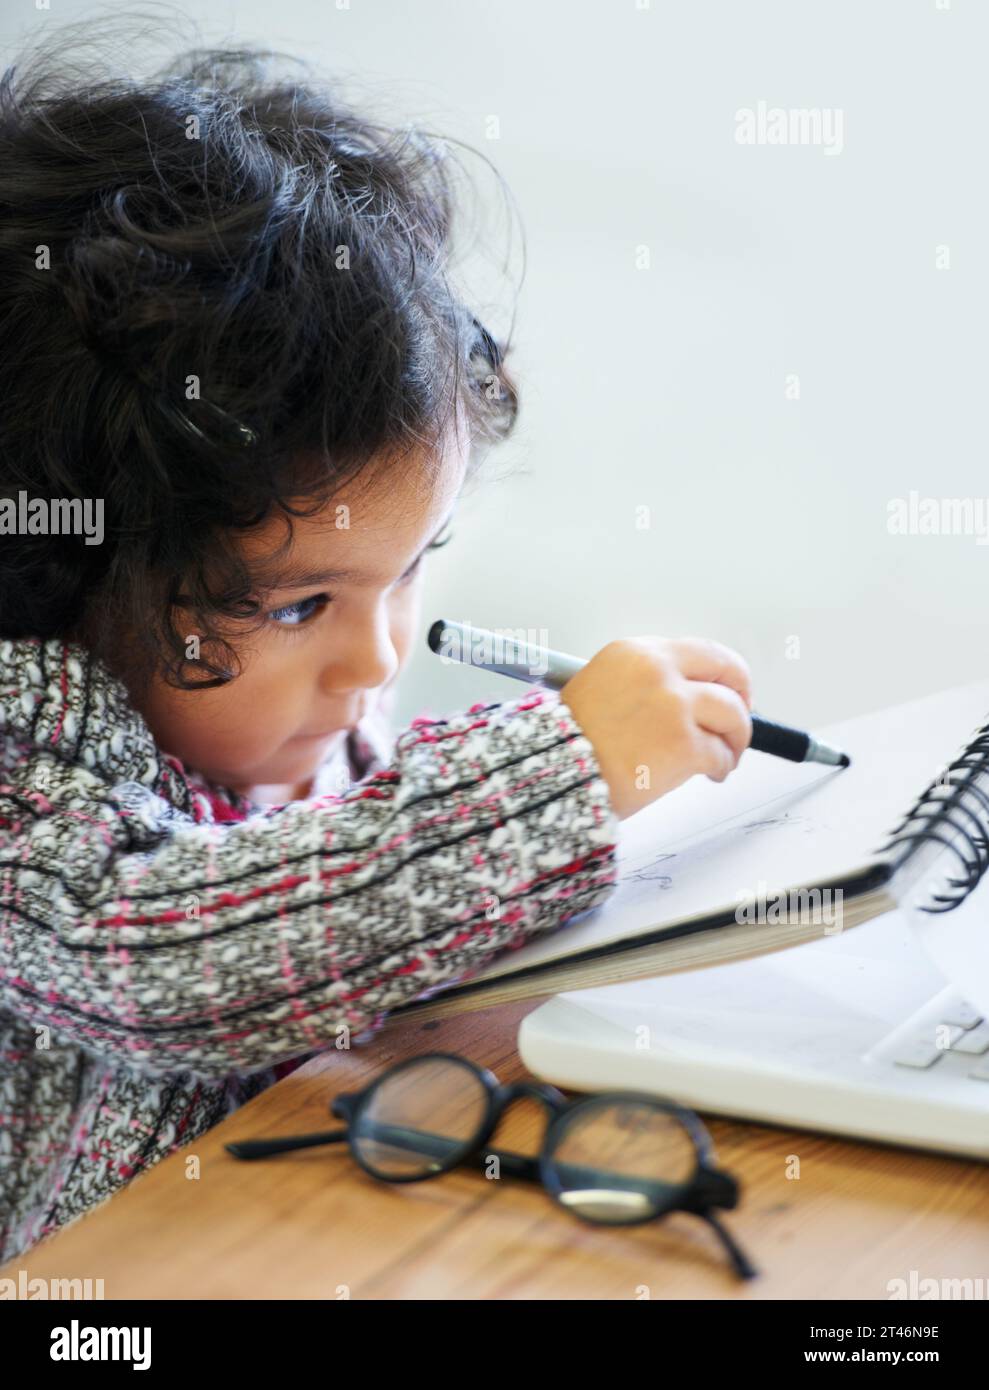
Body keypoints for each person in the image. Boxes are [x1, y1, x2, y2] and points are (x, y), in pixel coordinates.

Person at [0, 28, 751, 1262]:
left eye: (412, 569)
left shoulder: (311, 723)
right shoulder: (30, 754)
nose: (374, 661)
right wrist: (556, 777)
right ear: (71, 576)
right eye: (298, 607)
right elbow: (158, 965)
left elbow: (359, 916)